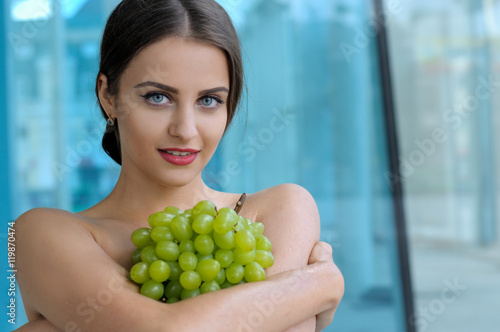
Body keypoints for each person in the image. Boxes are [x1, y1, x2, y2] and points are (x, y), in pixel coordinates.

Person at [14, 0, 344, 331]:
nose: (185, 130)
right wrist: (318, 286)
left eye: (209, 101)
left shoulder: (279, 209)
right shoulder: (44, 233)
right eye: (158, 97)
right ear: (108, 96)